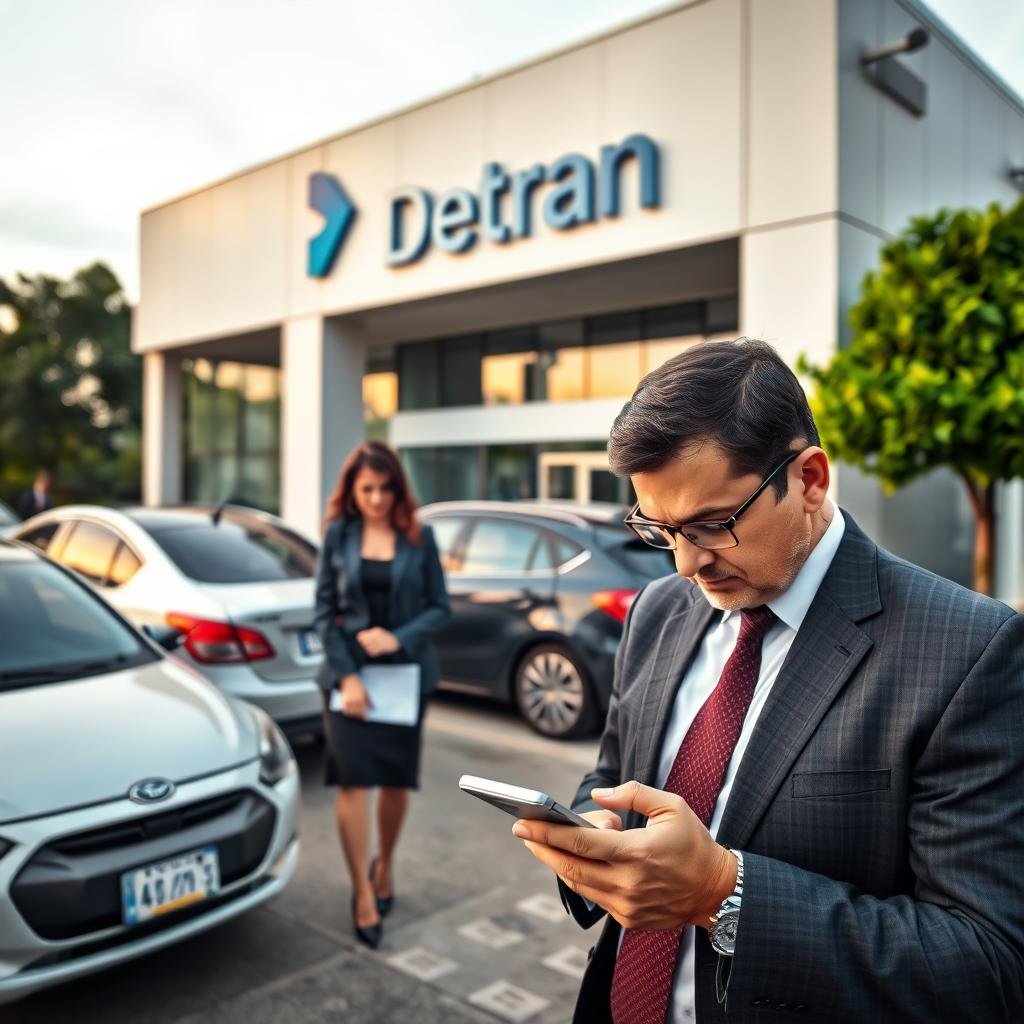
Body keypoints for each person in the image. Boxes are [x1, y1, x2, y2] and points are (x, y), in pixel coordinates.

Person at [511, 338, 1024, 1023]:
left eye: (711, 524)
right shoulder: (658, 611)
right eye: (660, 529)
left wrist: (724, 893)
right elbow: (611, 771)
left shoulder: (968, 650)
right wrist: (592, 830)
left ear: (810, 479)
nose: (685, 565)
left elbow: (988, 965)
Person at [314, 441, 450, 949]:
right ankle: (362, 893)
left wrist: (399, 637)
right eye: (367, 489)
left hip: (404, 679)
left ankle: (385, 865)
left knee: (394, 783)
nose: (376, 499)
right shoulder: (337, 535)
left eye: (385, 488)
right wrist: (347, 676)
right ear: (351, 490)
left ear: (398, 488)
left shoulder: (420, 536)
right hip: (348, 682)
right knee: (354, 784)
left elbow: (440, 608)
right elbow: (323, 613)